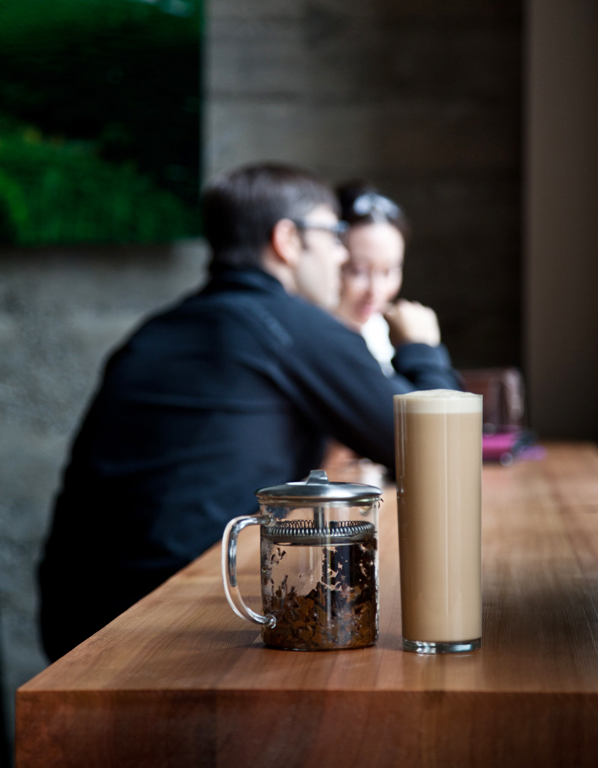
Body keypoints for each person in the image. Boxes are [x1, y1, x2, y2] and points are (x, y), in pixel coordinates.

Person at [39, 163, 461, 661]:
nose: (342, 253)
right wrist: (422, 349)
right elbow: (441, 452)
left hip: (77, 613)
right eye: (334, 235)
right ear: (287, 240)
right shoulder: (294, 327)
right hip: (177, 620)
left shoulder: (156, 330)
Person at [335, 182, 441, 376]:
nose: (376, 291)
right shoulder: (313, 339)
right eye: (358, 271)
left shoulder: (382, 330)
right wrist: (421, 351)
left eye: (389, 271)